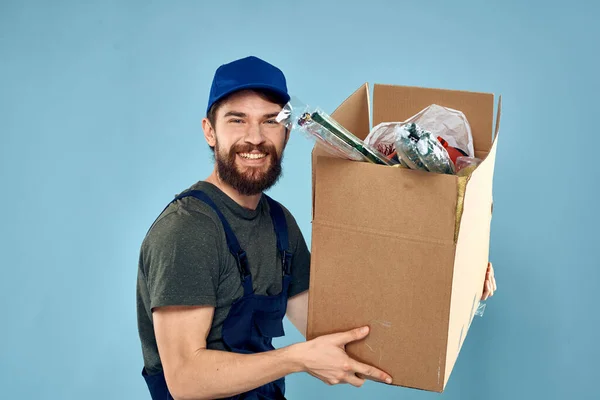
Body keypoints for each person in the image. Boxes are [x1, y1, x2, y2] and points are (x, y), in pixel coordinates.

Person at [136, 55, 497, 400]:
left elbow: (340, 333)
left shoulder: (279, 225)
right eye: (237, 120)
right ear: (209, 132)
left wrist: (456, 288)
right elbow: (184, 379)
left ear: (287, 133)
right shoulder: (188, 231)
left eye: (270, 121)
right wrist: (296, 359)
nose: (255, 137)